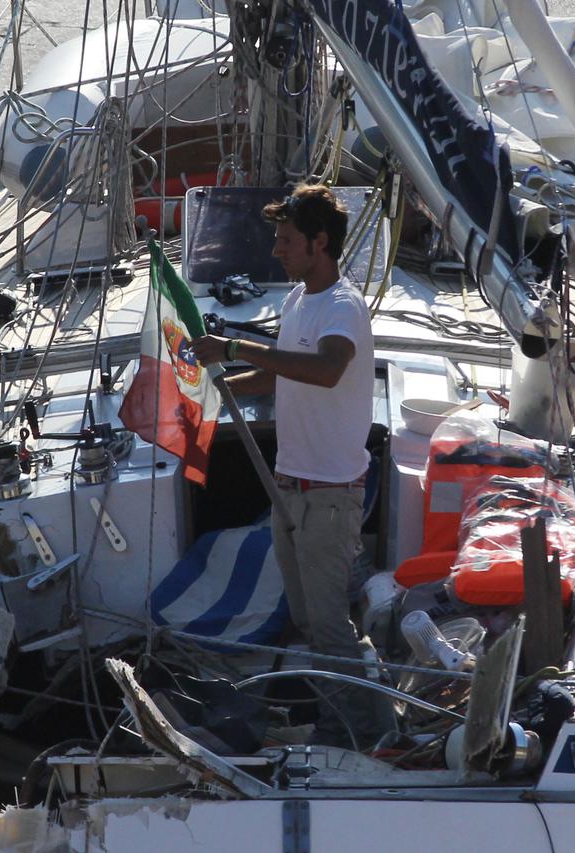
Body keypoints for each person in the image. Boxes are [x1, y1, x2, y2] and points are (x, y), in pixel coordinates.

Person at [191, 183, 387, 747]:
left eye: (286, 240)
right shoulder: (301, 300)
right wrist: (217, 386)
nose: (275, 249)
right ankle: (352, 716)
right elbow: (283, 373)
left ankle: (356, 734)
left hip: (329, 498)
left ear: (319, 243)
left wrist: (235, 348)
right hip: (290, 491)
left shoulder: (343, 307)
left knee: (327, 626)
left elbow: (325, 370)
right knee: (311, 621)